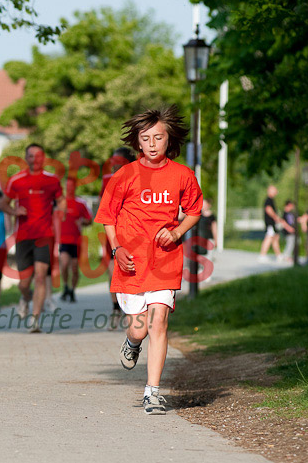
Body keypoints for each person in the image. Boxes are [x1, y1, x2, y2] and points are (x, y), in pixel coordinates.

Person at [95, 105, 202, 415]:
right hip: (131, 264)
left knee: (159, 323)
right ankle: (132, 343)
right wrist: (116, 249)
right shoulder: (125, 175)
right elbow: (107, 217)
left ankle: (152, 393)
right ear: (137, 142)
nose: (153, 144)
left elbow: (194, 210)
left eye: (158, 137)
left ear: (169, 139)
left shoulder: (183, 175)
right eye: (146, 138)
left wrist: (177, 231)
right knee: (140, 329)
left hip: (165, 262)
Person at [0, 144, 63, 333]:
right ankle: (25, 297)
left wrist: (61, 212)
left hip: (45, 235)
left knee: (41, 277)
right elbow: (3, 203)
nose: (34, 159)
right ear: (26, 158)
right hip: (23, 236)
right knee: (24, 283)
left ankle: (35, 320)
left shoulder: (51, 180)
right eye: (31, 156)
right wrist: (14, 211)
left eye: (38, 156)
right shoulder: (16, 180)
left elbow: (60, 200)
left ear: (43, 158)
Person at [100, 147, 135, 329]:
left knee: (131, 271)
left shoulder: (138, 177)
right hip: (114, 233)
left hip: (134, 233)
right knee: (112, 272)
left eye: (118, 162)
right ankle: (115, 309)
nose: (113, 165)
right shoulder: (107, 179)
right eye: (112, 161)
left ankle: (132, 311)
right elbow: (103, 208)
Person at [59, 178, 92, 302]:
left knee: (74, 268)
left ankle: (72, 290)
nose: (69, 188)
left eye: (71, 186)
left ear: (75, 187)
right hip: (63, 239)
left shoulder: (80, 203)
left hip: (76, 241)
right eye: (67, 186)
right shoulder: (60, 202)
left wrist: (82, 222)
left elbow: (89, 220)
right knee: (64, 264)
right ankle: (65, 286)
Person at [259, 185, 287, 262]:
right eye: (275, 190)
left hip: (272, 223)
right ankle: (262, 255)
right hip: (270, 223)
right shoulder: (268, 200)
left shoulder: (271, 200)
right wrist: (276, 217)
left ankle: (278, 255)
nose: (276, 192)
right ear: (270, 191)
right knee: (269, 237)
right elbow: (268, 209)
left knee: (275, 238)